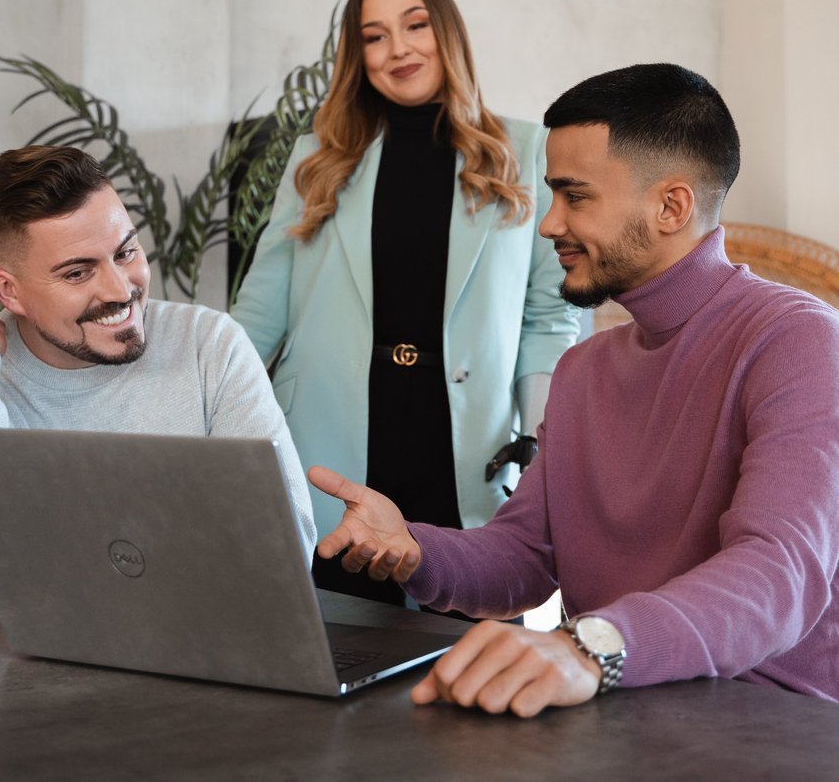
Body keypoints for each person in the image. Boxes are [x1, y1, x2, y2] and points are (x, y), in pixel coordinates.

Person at [309, 62, 839, 715]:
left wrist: (591, 647)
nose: (549, 223)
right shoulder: (584, 367)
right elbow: (527, 555)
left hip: (770, 726)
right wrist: (416, 547)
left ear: (671, 205)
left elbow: (780, 574)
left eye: (575, 195)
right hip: (617, 712)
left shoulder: (801, 341)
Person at [232, 0, 580, 606]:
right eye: (374, 35)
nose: (398, 49)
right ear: (357, 55)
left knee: (466, 643)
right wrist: (207, 422)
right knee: (337, 641)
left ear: (447, 32)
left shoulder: (527, 151)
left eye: (415, 25)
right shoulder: (319, 158)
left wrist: (542, 437)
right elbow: (260, 309)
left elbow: (548, 317)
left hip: (468, 441)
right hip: (329, 439)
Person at [0, 146, 316, 601]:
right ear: (7, 291)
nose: (121, 290)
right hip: (16, 669)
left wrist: (55, 550)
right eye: (78, 273)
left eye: (126, 252)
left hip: (194, 652)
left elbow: (285, 551)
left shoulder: (210, 345)